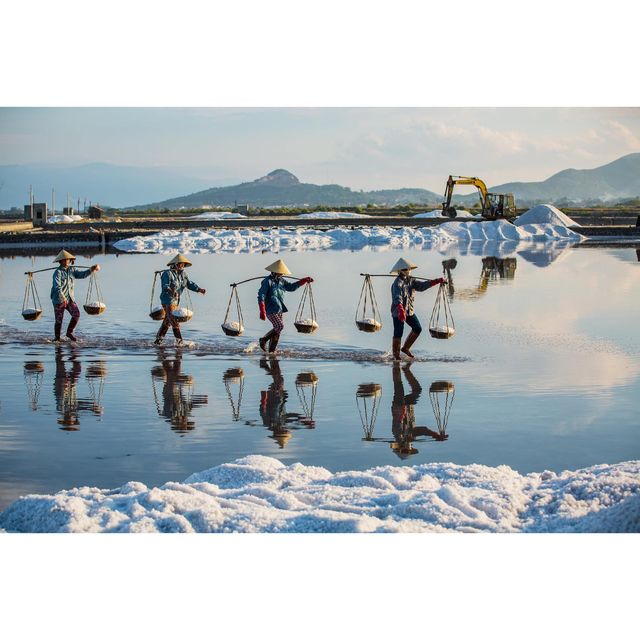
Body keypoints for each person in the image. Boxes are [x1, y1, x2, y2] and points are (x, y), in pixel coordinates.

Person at [389, 258, 445, 360]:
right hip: (398, 312)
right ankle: (396, 355)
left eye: (409, 269)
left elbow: (422, 286)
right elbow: (397, 297)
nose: (408, 270)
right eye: (406, 269)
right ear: (400, 270)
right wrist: (400, 308)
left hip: (409, 311)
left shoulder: (411, 281)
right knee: (398, 332)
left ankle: (405, 348)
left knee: (417, 328)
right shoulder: (397, 283)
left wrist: (436, 281)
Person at [257, 259, 313, 353]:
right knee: (280, 326)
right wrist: (262, 311)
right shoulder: (267, 281)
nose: (281, 274)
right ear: (274, 272)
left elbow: (291, 287)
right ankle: (263, 340)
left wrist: (303, 281)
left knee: (278, 331)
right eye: (280, 273)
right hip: (270, 309)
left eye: (282, 273)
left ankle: (271, 351)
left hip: (279, 308)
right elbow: (261, 295)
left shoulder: (281, 281)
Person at [154, 253, 206, 346]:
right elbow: (165, 286)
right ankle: (179, 342)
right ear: (174, 265)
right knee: (174, 321)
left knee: (167, 321)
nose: (182, 266)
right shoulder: (167, 274)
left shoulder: (183, 275)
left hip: (176, 302)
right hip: (167, 301)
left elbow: (189, 284)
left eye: (183, 265)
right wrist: (170, 291)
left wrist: (199, 289)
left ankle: (158, 341)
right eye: (180, 264)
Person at [50, 249, 100, 342]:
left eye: (68, 260)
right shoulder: (58, 272)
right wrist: (62, 297)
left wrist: (91, 269)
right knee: (59, 320)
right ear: (60, 261)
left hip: (70, 299)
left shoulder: (72, 270)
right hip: (58, 300)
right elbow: (57, 287)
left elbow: (82, 275)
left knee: (76, 314)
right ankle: (57, 338)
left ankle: (69, 333)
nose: (67, 261)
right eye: (65, 260)